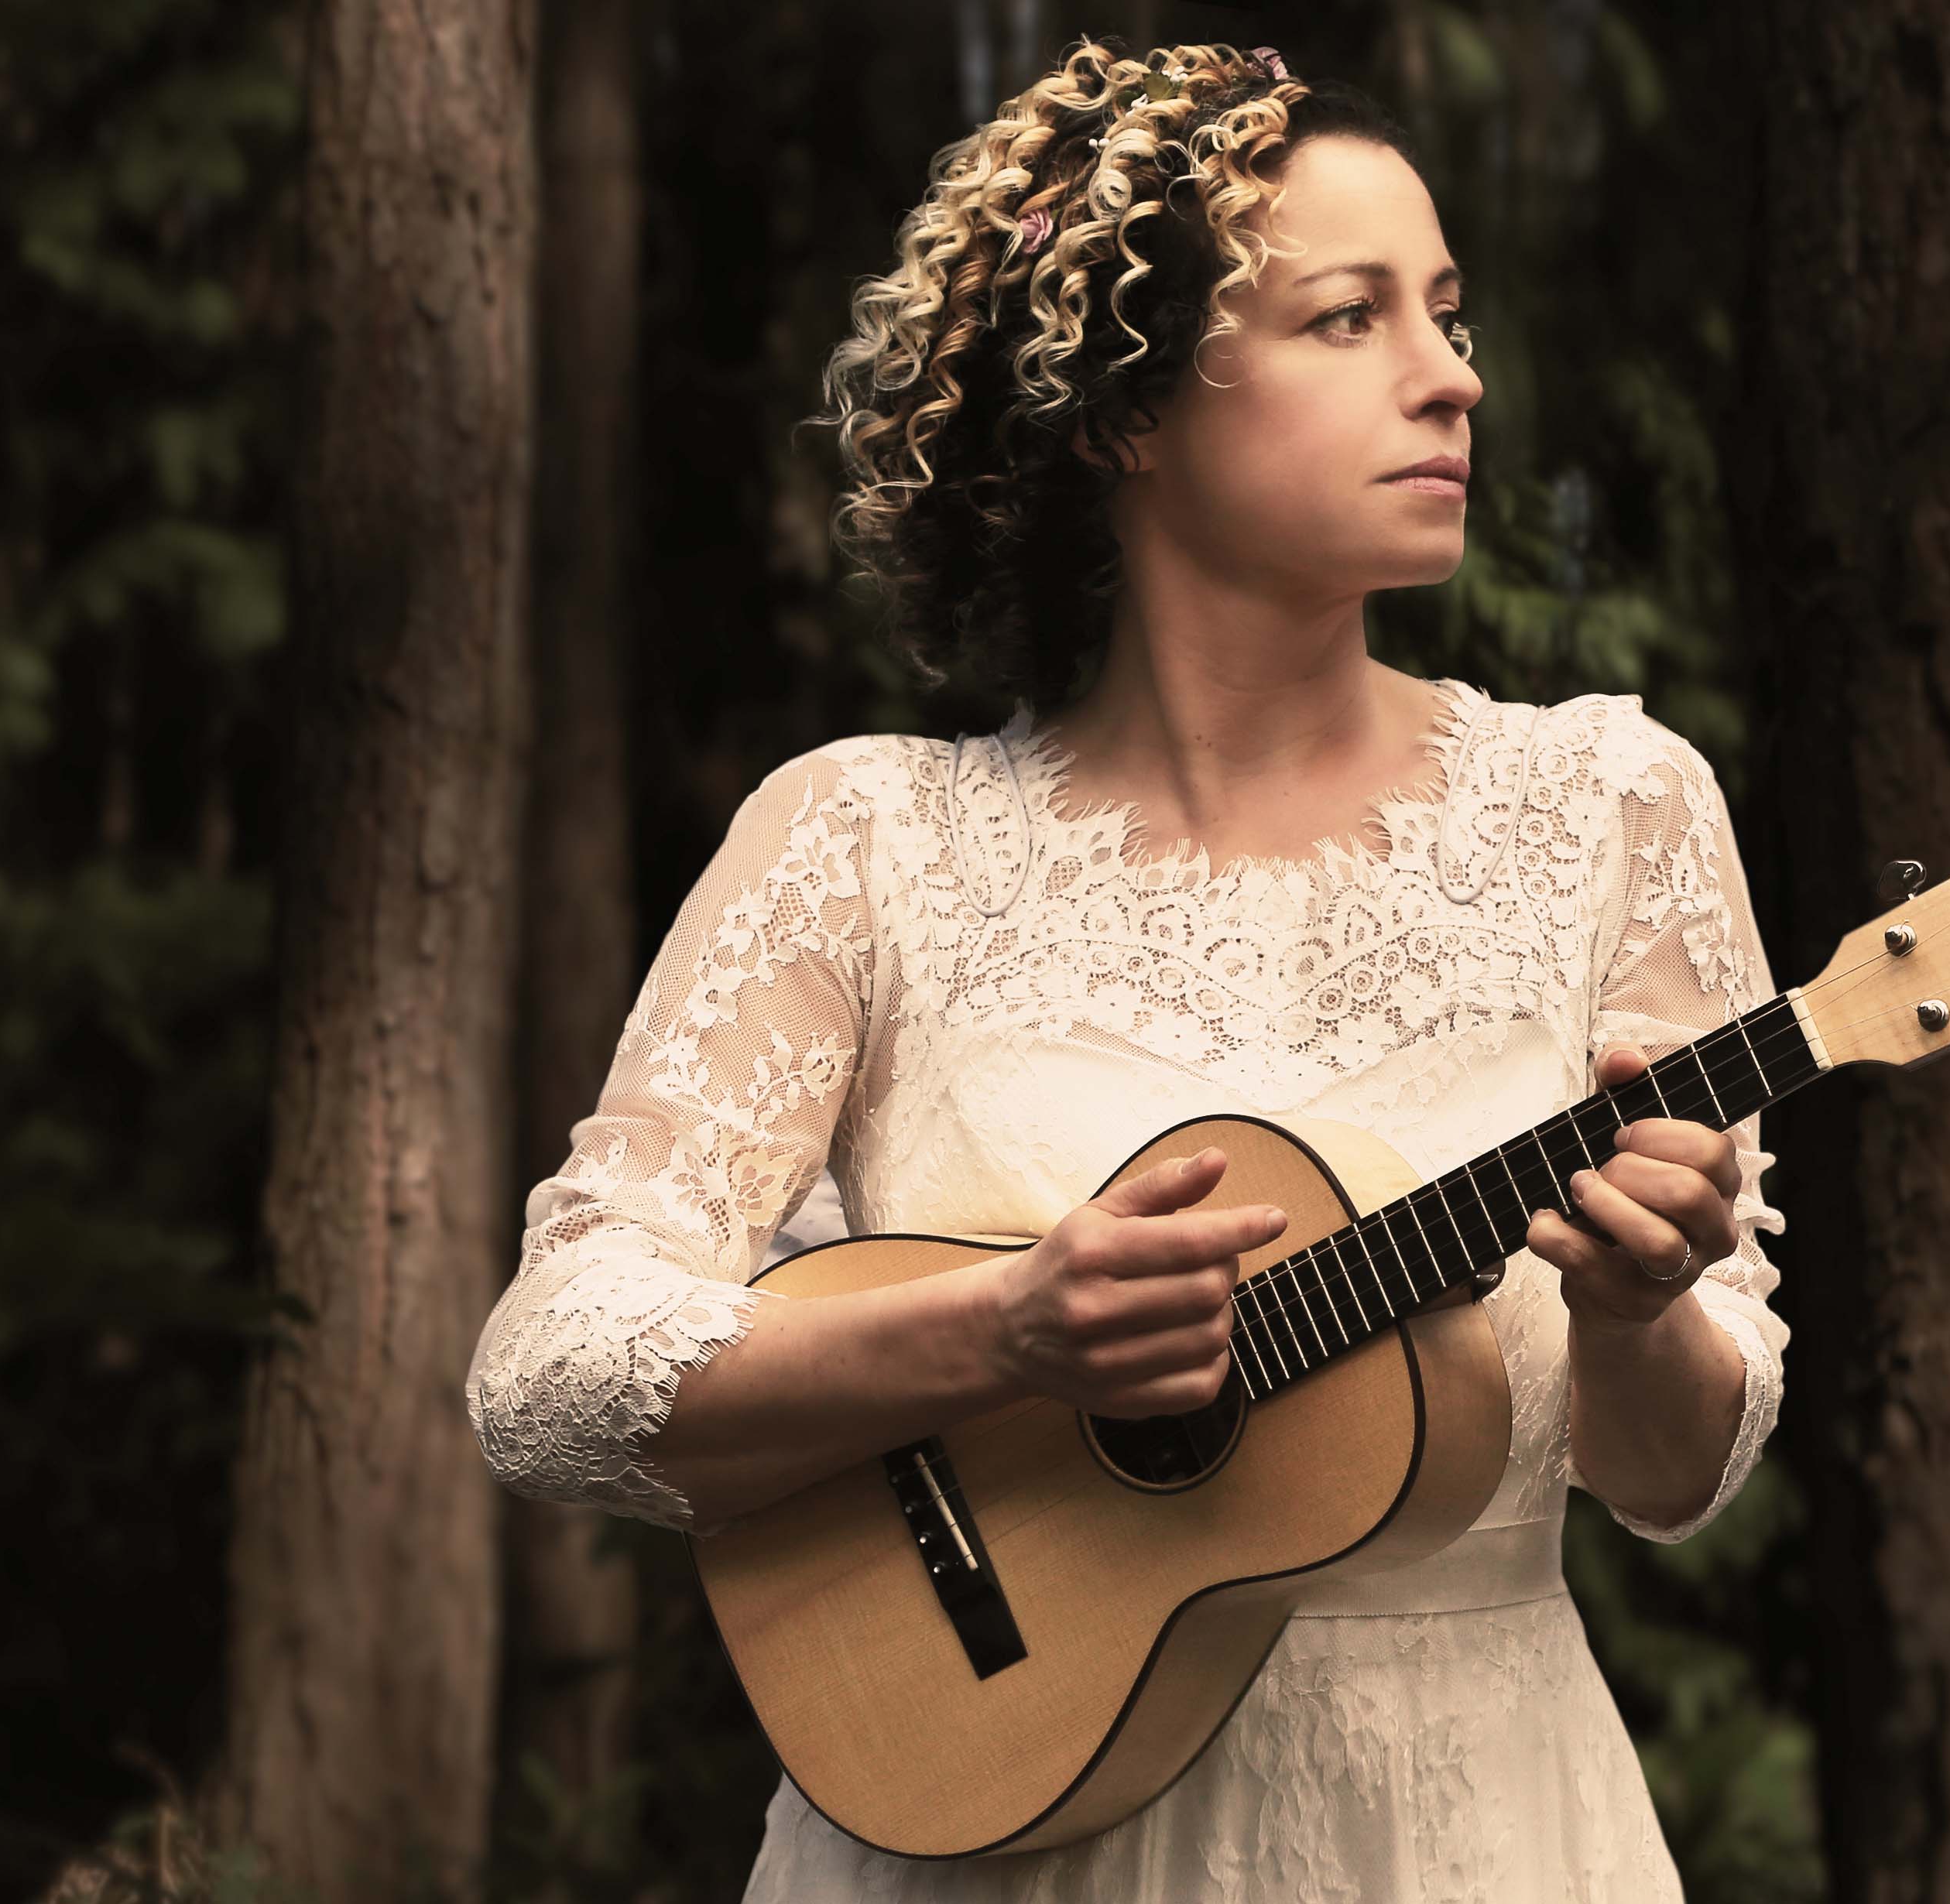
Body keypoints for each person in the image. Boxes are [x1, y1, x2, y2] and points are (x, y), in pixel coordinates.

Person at [464, 37, 1791, 1902]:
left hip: (1474, 1831)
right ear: (1124, 411)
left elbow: (1675, 1479)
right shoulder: (864, 839)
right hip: (968, 1832)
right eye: (1352, 319)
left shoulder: (1610, 809)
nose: (1452, 375)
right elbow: (544, 1378)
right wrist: (997, 1335)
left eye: (1453, 313)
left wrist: (1650, 1305)